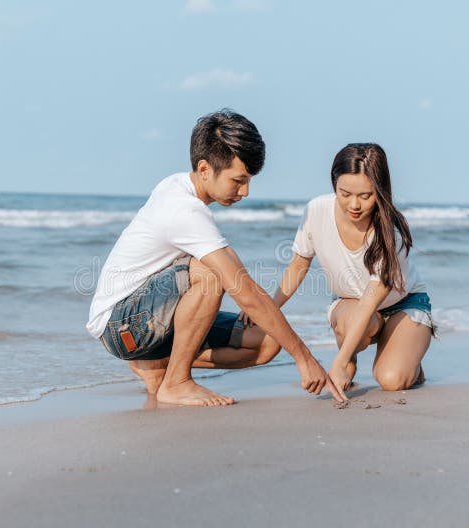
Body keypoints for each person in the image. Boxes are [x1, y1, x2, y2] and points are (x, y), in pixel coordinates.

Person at [86, 109, 347, 407]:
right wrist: (305, 358)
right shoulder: (182, 209)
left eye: (248, 180)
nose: (245, 191)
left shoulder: (182, 186)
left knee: (267, 341)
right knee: (210, 275)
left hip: (153, 319)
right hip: (122, 326)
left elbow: (239, 272)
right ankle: (177, 382)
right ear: (205, 168)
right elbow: (241, 287)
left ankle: (157, 366)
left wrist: (275, 323)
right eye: (238, 180)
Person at [242, 143, 435, 392]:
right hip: (351, 306)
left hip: (404, 305)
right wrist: (268, 307)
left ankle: (409, 360)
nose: (354, 205)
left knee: (392, 380)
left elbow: (370, 301)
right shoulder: (317, 210)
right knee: (356, 322)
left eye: (365, 196)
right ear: (334, 185)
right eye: (345, 194)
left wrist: (337, 363)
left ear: (380, 190)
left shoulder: (390, 233)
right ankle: (353, 357)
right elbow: (299, 264)